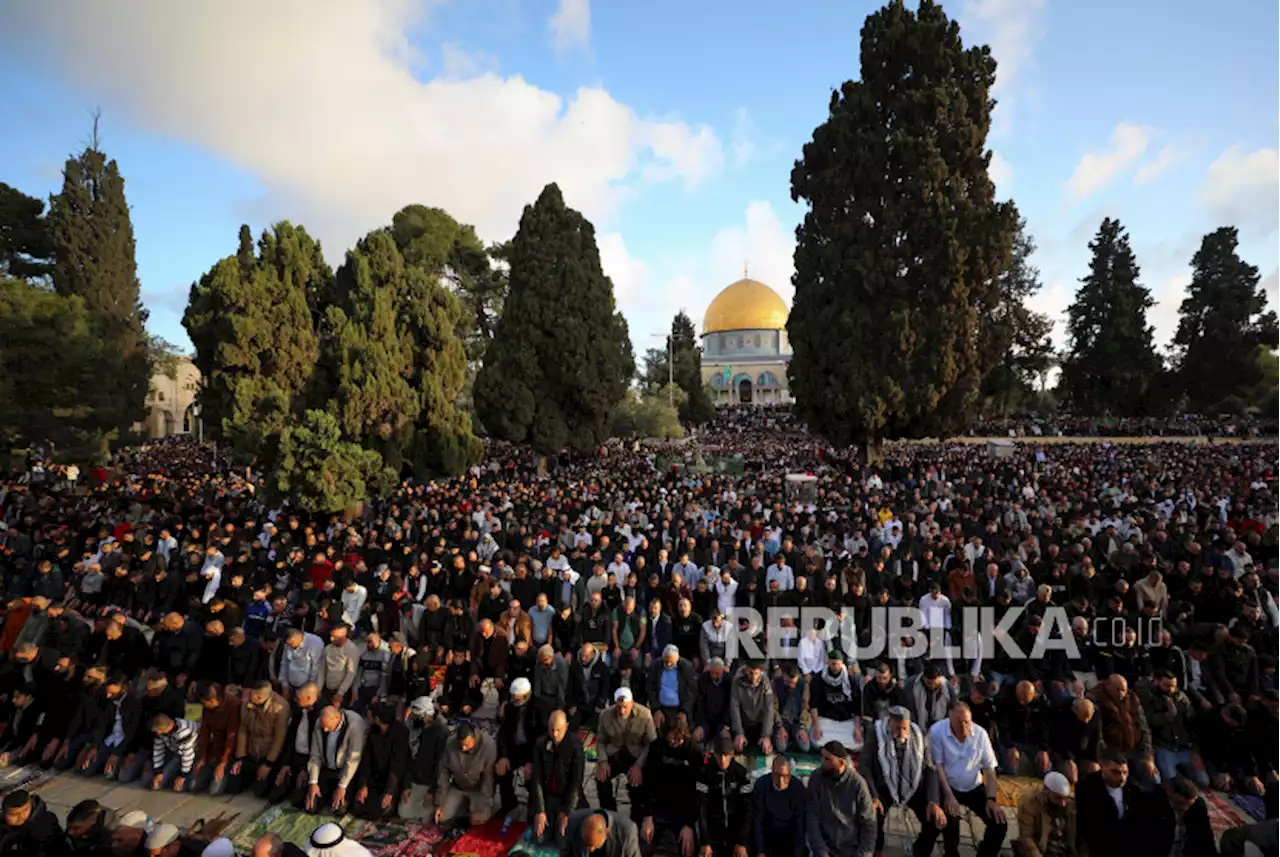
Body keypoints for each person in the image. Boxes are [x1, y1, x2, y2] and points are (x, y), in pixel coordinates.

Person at [859, 706, 945, 857]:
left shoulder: (919, 734)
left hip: (912, 784)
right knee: (872, 813)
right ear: (889, 723)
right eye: (898, 728)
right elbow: (864, 765)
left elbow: (930, 768)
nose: (902, 732)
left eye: (905, 728)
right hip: (885, 784)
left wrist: (933, 801)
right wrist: (873, 795)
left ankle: (920, 850)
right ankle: (876, 848)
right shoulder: (876, 732)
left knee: (933, 817)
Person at [928, 701, 1008, 857]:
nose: (964, 727)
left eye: (967, 722)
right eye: (960, 722)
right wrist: (948, 795)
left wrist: (991, 799)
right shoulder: (937, 731)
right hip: (948, 785)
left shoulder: (980, 734)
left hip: (974, 786)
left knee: (999, 823)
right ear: (950, 718)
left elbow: (989, 769)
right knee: (950, 822)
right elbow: (938, 766)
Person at [634, 715, 701, 857]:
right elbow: (648, 783)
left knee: (689, 850)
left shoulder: (694, 751)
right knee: (640, 849)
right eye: (670, 737)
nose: (673, 741)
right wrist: (647, 816)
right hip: (658, 811)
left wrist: (689, 824)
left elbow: (697, 792)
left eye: (678, 738)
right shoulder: (657, 747)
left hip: (683, 813)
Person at [805, 741, 877, 857]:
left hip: (851, 850)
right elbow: (812, 819)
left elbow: (869, 823)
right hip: (824, 849)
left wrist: (863, 854)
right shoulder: (816, 778)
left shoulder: (858, 784)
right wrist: (821, 852)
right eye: (822, 757)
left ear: (841, 763)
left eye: (828, 759)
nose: (822, 762)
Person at [529, 710, 585, 848]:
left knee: (564, 842)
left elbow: (576, 783)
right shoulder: (541, 744)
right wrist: (540, 811)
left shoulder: (575, 745)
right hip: (549, 798)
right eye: (551, 730)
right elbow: (537, 780)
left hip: (567, 799)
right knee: (539, 838)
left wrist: (567, 812)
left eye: (558, 730)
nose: (554, 734)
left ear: (566, 726)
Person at [595, 687, 657, 812]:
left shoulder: (645, 715)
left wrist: (639, 765)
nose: (622, 711)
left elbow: (651, 743)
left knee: (638, 781)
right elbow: (600, 741)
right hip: (614, 752)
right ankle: (608, 811)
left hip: (636, 755)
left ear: (632, 703)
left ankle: (638, 813)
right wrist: (603, 761)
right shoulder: (605, 715)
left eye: (625, 707)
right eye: (619, 707)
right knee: (601, 777)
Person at [1075, 751, 1146, 857]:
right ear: (1103, 768)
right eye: (1115, 772)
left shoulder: (1133, 790)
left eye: (1125, 773)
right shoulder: (1087, 787)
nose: (1122, 777)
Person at [300, 706, 367, 814]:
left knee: (340, 809)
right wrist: (313, 782)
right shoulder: (320, 723)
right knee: (310, 806)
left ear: (337, 718)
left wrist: (342, 786)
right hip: (327, 769)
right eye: (323, 726)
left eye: (327, 726)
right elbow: (315, 755)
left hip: (345, 771)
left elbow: (353, 759)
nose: (325, 730)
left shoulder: (355, 725)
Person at [696, 734, 753, 857]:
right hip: (713, 836)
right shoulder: (704, 773)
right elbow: (702, 808)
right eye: (719, 755)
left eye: (726, 755)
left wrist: (742, 842)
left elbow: (748, 809)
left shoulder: (741, 774)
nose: (722, 760)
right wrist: (705, 842)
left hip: (736, 836)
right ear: (714, 754)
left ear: (732, 755)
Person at [350, 703, 409, 820]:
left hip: (393, 779)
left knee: (383, 810)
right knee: (357, 806)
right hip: (375, 778)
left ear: (377, 719)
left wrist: (390, 791)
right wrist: (363, 785)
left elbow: (398, 765)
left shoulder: (401, 732)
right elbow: (366, 760)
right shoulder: (373, 731)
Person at [233, 680, 291, 798]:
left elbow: (279, 739)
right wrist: (240, 757)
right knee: (233, 787)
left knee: (260, 792)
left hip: (268, 754)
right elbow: (243, 730)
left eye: (256, 696)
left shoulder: (280, 707)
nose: (252, 697)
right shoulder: (246, 703)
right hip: (251, 751)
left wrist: (268, 764)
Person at [435, 722, 497, 828]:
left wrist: (483, 805)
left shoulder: (488, 745)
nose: (463, 748)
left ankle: (474, 808)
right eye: (461, 744)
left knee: (477, 820)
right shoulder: (450, 743)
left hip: (478, 789)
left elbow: (488, 778)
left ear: (474, 738)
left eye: (466, 744)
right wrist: (439, 803)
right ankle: (463, 807)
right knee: (442, 817)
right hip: (458, 786)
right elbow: (443, 773)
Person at [399, 697, 448, 822]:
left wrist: (432, 791)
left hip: (430, 783)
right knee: (404, 813)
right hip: (414, 780)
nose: (411, 716)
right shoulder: (413, 727)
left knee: (426, 817)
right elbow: (408, 758)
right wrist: (407, 785)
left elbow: (441, 766)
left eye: (415, 714)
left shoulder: (441, 732)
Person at [496, 677, 540, 815]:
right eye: (513, 698)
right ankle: (509, 803)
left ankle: (535, 808)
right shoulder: (510, 707)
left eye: (518, 698)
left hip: (533, 751)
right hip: (514, 749)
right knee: (501, 770)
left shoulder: (538, 708)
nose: (515, 701)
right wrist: (503, 756)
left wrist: (531, 761)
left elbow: (540, 738)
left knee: (533, 777)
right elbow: (503, 732)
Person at [1013, 772, 1081, 857]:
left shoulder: (1071, 805)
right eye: (1058, 798)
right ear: (1046, 791)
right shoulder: (1030, 805)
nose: (1063, 803)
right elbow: (1026, 838)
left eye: (1065, 798)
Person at [753, 755, 807, 857]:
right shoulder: (761, 785)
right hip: (768, 837)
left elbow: (799, 825)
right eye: (778, 775)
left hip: (789, 840)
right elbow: (758, 820)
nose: (781, 781)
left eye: (785, 776)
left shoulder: (798, 788)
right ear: (772, 773)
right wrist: (760, 851)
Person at [192, 683, 241, 795]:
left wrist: (223, 763)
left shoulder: (233, 705)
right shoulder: (207, 708)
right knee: (193, 786)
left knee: (214, 791)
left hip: (230, 751)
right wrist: (202, 757)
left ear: (214, 701)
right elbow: (205, 732)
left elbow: (232, 737)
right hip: (215, 748)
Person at [1148, 777, 1216, 857]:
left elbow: (1205, 834)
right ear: (1169, 793)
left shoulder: (1197, 805)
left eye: (1189, 805)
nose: (1185, 808)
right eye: (1181, 803)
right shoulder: (1152, 804)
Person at [0, 789, 65, 857]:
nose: (21, 817)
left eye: (25, 810)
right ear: (3, 814)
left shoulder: (46, 822)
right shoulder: (3, 830)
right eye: (14, 815)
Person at [646, 644, 696, 729]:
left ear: (677, 659)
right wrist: (656, 709)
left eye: (671, 662)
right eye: (666, 661)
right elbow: (650, 689)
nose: (668, 664)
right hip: (661, 707)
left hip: (679, 708)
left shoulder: (686, 667)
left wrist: (684, 711)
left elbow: (691, 692)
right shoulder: (655, 666)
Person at [730, 660, 774, 756]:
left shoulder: (765, 681)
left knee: (766, 750)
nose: (754, 677)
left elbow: (769, 709)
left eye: (756, 673)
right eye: (751, 673)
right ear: (746, 670)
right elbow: (734, 707)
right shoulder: (737, 680)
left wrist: (766, 735)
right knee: (737, 748)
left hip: (759, 722)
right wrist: (739, 732)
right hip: (744, 722)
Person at [564, 809, 642, 857]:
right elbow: (566, 853)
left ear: (606, 832)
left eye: (594, 845)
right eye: (587, 844)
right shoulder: (573, 823)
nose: (591, 849)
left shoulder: (626, 831)